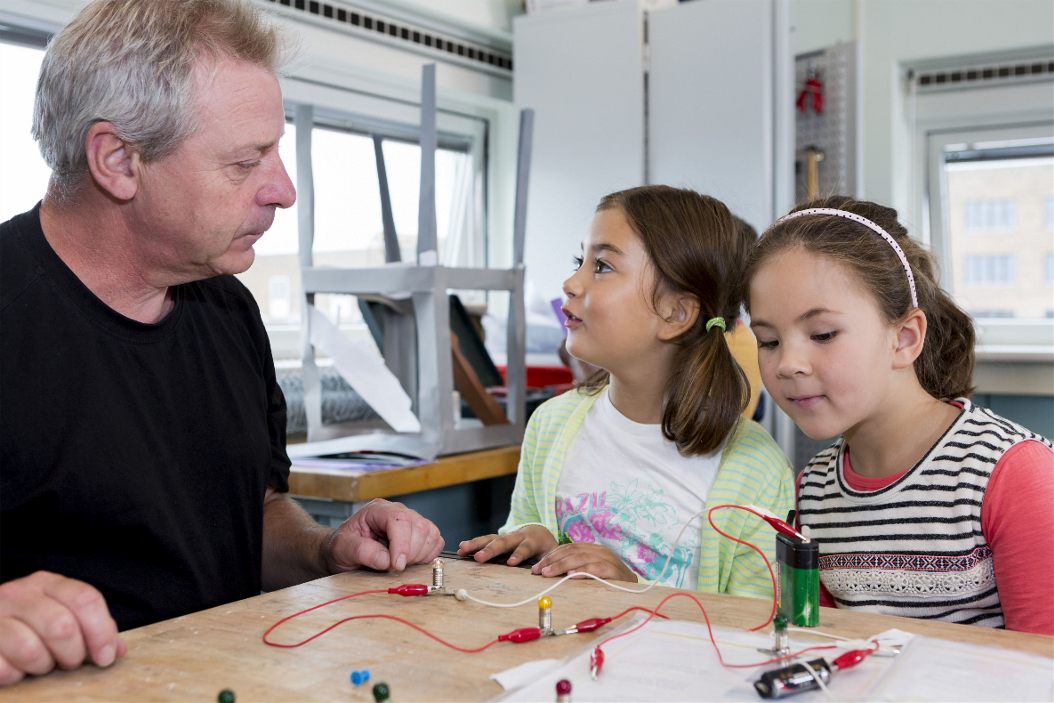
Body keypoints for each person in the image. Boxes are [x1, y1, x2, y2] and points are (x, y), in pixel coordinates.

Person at [0, 0, 443, 686]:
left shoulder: (228, 308)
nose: (284, 189)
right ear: (118, 161)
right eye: (246, 161)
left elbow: (252, 512)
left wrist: (327, 548)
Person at [459, 185, 794, 596]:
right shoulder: (550, 424)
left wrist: (634, 588)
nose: (570, 282)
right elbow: (516, 566)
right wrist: (531, 552)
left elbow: (757, 628)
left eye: (601, 266)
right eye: (578, 261)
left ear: (676, 313)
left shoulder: (756, 469)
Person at [744, 196, 1054, 634]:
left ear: (905, 338)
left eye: (823, 334)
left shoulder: (1013, 473)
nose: (787, 364)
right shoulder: (812, 489)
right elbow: (815, 640)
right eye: (769, 341)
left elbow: (1044, 669)